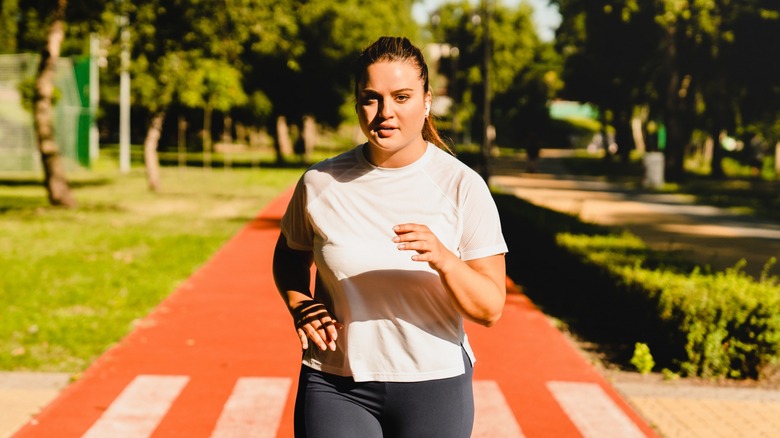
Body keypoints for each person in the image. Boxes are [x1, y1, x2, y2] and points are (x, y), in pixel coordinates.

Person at [272, 36, 508, 438]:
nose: (386, 112)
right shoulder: (320, 182)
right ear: (357, 103)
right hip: (335, 383)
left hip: (434, 384)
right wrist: (300, 304)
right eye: (371, 98)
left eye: (401, 97)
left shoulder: (461, 186)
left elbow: (490, 309)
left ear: (427, 101)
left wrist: (445, 260)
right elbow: (289, 257)